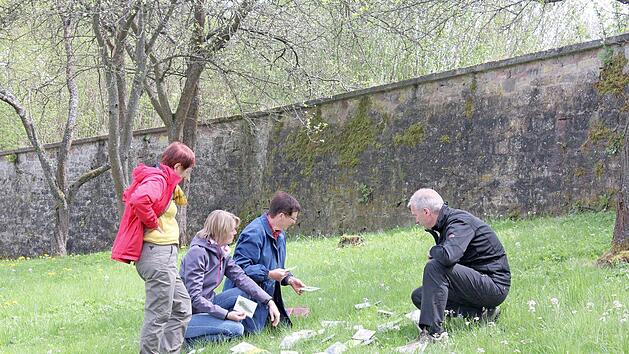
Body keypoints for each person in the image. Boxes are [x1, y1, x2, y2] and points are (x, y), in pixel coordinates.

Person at [111, 142, 195, 354]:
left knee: (182, 308)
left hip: (164, 257)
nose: (186, 176)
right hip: (157, 255)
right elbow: (139, 200)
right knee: (159, 314)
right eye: (186, 171)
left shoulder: (165, 182)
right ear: (177, 167)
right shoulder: (158, 180)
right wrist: (153, 223)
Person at [408, 188, 511, 344]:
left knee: (435, 266)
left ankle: (433, 334)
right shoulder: (446, 224)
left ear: (426, 212)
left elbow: (449, 256)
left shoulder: (459, 222)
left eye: (416, 215)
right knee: (420, 296)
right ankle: (481, 313)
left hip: (493, 286)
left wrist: (433, 250)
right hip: (476, 283)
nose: (416, 221)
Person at [179, 210, 281, 343]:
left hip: (208, 303)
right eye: (232, 229)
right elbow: (195, 298)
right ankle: (188, 341)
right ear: (222, 230)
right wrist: (226, 315)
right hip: (188, 315)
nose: (235, 233)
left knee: (244, 293)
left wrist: (269, 301)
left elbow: (242, 279)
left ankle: (252, 329)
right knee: (236, 329)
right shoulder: (197, 253)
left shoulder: (221, 252)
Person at [223, 191, 305, 332]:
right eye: (293, 218)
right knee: (249, 332)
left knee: (277, 327)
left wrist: (289, 279)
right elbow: (239, 270)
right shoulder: (253, 233)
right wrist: (269, 274)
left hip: (266, 296)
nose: (294, 222)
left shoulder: (280, 235)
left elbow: (277, 267)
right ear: (281, 216)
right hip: (244, 296)